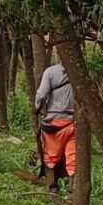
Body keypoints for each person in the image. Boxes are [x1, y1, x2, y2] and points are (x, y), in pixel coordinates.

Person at [34, 62, 75, 193]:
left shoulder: (51, 72)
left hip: (54, 122)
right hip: (74, 123)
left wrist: (37, 108)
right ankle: (73, 189)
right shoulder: (81, 73)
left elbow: (41, 95)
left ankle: (52, 187)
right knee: (72, 157)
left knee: (50, 157)